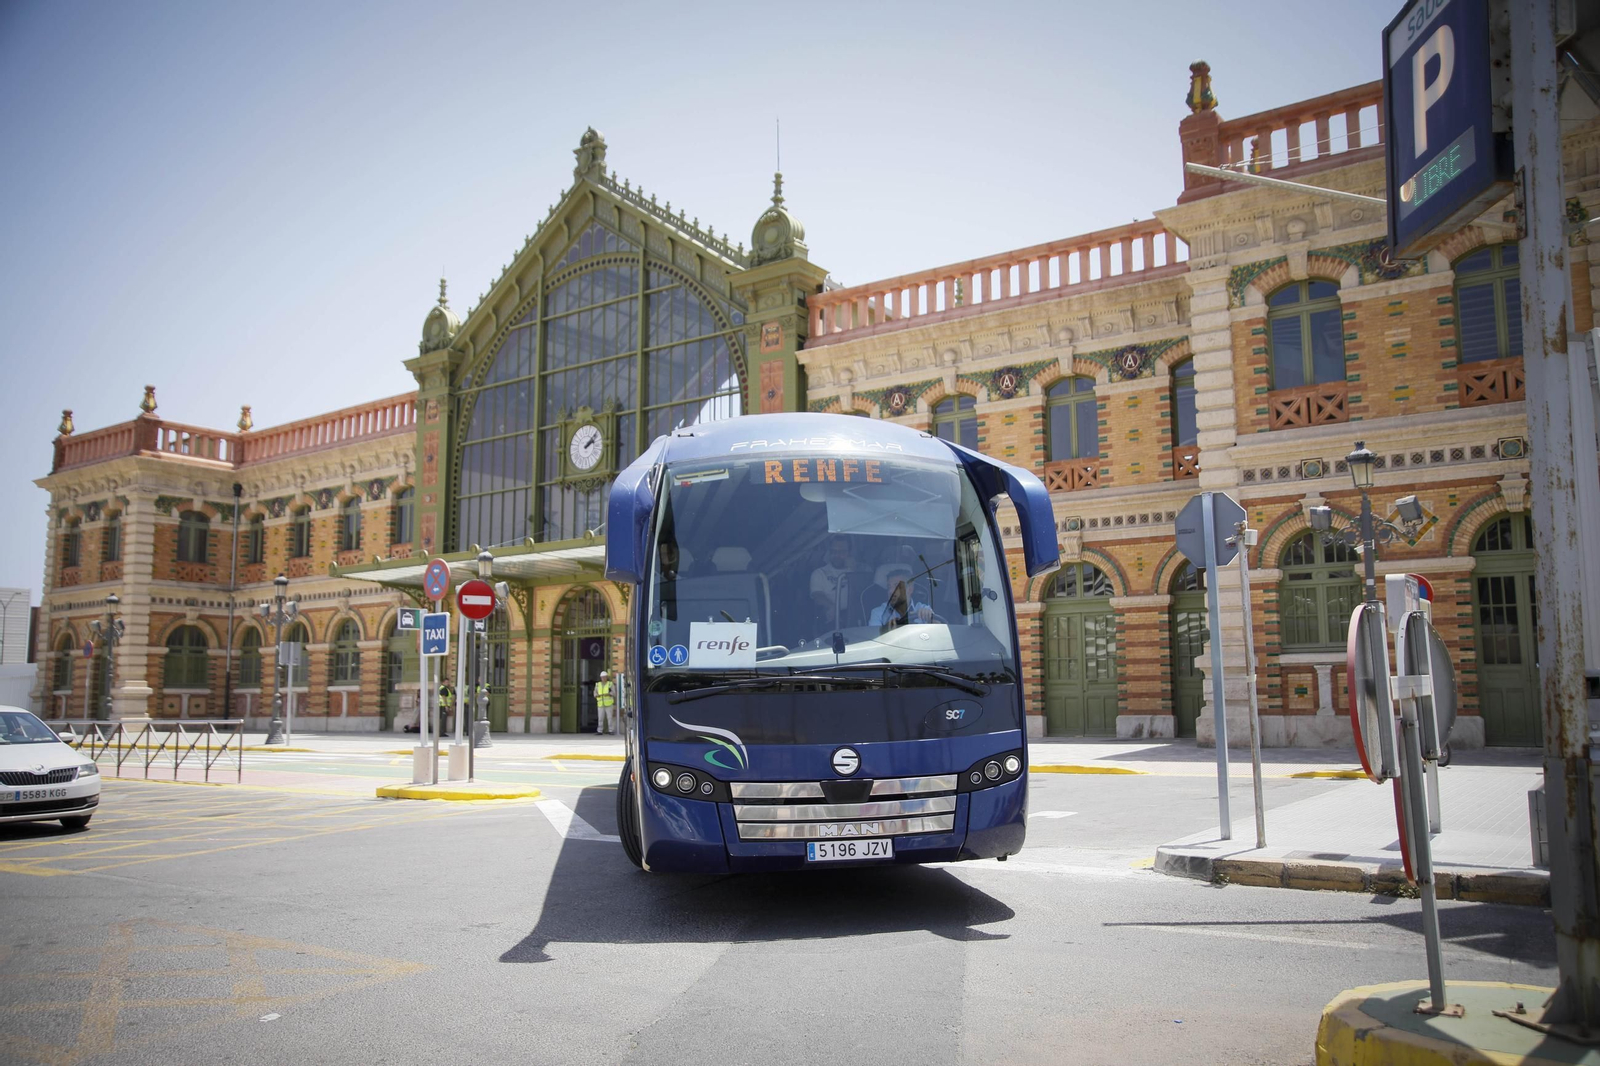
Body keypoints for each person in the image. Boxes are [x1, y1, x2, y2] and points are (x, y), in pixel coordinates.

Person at [810, 536, 855, 626]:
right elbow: (817, 595)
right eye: (833, 551)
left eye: (841, 552)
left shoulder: (859, 570)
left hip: (855, 615)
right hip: (831, 616)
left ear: (849, 553)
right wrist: (831, 606)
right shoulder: (819, 573)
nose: (837, 555)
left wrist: (853, 570)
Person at [869, 566, 934, 628]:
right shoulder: (878, 613)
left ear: (910, 589)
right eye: (889, 587)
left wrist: (930, 619)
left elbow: (937, 632)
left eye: (896, 586)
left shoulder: (923, 609)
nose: (890, 591)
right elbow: (875, 636)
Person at [594, 670, 616, 734]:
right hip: (600, 703)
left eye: (605, 677)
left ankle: (611, 730)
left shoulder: (610, 684)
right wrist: (596, 695)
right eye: (602, 677)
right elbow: (595, 692)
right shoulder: (598, 684)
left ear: (607, 677)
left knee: (609, 718)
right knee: (600, 718)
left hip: (609, 704)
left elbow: (614, 693)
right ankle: (600, 730)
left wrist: (609, 694)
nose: (603, 678)